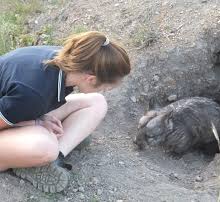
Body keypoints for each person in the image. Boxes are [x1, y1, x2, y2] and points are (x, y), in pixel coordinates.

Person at [0, 31, 131, 193]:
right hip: (13, 113)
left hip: (19, 107)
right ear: (90, 78)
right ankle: (25, 159)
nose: (105, 90)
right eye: (105, 87)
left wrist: (39, 118)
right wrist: (37, 122)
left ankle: (54, 159)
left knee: (96, 102)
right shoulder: (34, 92)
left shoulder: (69, 60)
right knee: (45, 147)